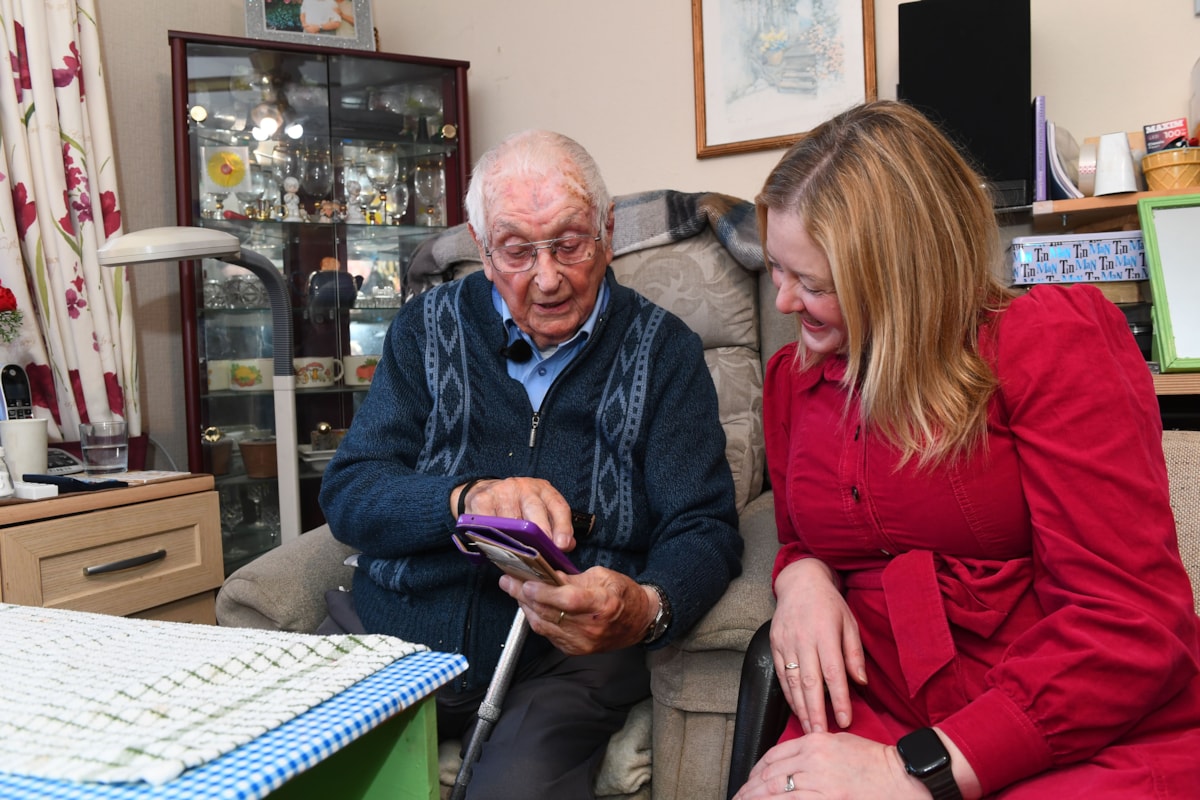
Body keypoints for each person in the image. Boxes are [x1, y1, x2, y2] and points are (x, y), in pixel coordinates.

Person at [734, 100, 1200, 799]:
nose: (783, 302)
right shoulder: (792, 380)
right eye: (777, 268)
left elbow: (1130, 624)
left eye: (815, 285)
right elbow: (802, 535)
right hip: (877, 707)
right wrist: (801, 579)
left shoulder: (1050, 342)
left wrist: (910, 771)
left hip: (1058, 721)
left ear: (903, 276)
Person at [319, 129, 742, 799]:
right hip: (394, 634)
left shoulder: (665, 351)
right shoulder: (424, 329)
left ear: (606, 232)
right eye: (517, 250)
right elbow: (350, 490)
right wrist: (463, 500)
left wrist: (646, 607)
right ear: (482, 249)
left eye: (570, 244)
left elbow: (704, 527)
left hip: (561, 662)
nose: (547, 279)